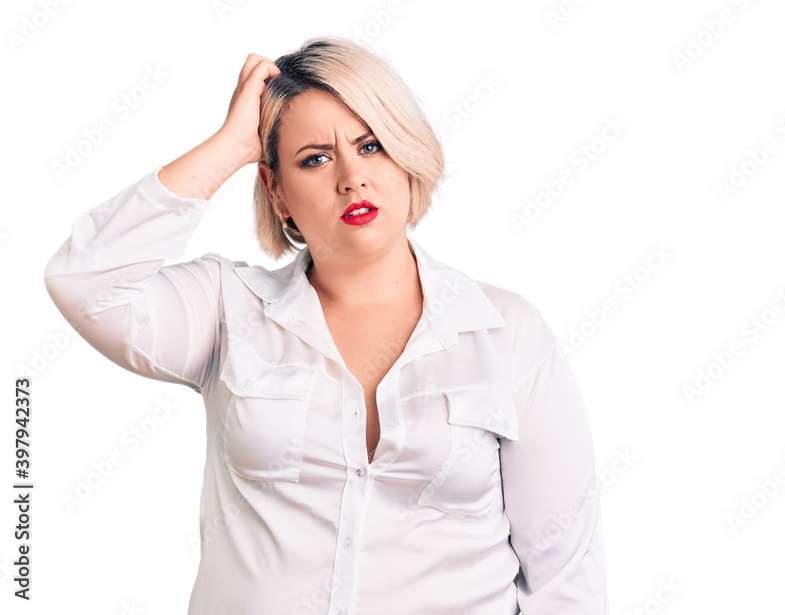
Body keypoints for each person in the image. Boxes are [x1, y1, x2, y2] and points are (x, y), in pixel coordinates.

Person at [44, 35, 608, 614]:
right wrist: (231, 145)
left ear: (406, 156)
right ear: (277, 192)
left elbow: (565, 573)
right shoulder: (225, 310)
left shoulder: (506, 332)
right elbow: (84, 282)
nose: (350, 178)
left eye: (372, 146)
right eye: (314, 159)